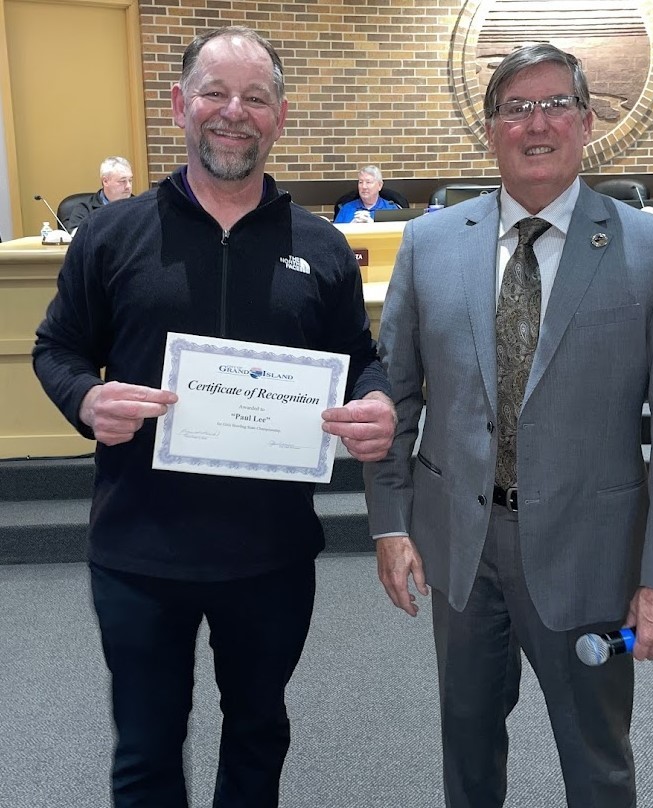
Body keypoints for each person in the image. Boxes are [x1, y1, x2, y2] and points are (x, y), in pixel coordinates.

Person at [33, 26, 395, 808]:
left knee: (259, 736)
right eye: (215, 93)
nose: (234, 113)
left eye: (255, 98)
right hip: (138, 550)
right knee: (146, 750)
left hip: (270, 555)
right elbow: (55, 349)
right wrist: (86, 399)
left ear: (280, 117)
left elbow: (357, 354)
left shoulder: (322, 247)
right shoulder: (109, 235)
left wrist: (376, 399)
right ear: (179, 106)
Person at [364, 43, 653, 808]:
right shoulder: (427, 245)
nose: (537, 123)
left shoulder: (652, 250)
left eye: (556, 104)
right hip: (457, 546)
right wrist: (389, 522)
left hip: (590, 552)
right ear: (489, 130)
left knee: (596, 761)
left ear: (586, 122)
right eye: (515, 108)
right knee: (466, 749)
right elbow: (392, 400)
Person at [66, 155, 134, 231]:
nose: (128, 186)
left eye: (130, 180)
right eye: (122, 181)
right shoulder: (84, 210)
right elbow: (77, 240)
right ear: (105, 181)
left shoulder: (140, 206)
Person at [333, 165, 402, 222]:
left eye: (368, 182)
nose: (364, 186)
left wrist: (374, 227)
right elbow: (336, 236)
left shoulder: (391, 209)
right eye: (360, 182)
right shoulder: (346, 208)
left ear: (380, 185)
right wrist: (350, 228)